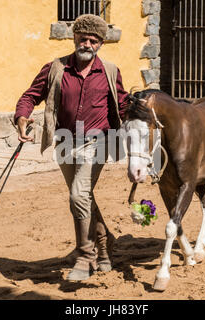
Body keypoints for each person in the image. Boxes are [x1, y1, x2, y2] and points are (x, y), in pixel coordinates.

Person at [14, 14, 129, 281]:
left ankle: (85, 256)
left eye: (93, 40)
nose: (87, 44)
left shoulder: (110, 72)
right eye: (82, 38)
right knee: (84, 196)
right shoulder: (55, 68)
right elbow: (31, 95)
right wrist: (22, 116)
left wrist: (138, 130)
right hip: (65, 141)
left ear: (101, 44)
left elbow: (122, 105)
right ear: (74, 38)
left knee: (78, 195)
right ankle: (104, 246)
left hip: (97, 141)